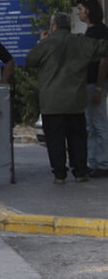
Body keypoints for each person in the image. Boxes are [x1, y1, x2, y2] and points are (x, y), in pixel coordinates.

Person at [26, 12, 108, 184]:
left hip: (52, 102)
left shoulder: (46, 43)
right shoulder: (80, 42)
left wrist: (41, 41)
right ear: (68, 26)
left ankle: (59, 174)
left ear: (53, 26)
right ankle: (79, 171)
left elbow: (31, 60)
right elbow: (102, 48)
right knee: (77, 138)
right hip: (75, 101)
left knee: (55, 140)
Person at [75, 0, 108, 178]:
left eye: (80, 9)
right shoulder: (90, 31)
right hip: (90, 82)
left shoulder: (99, 31)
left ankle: (103, 162)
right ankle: (95, 161)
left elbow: (104, 59)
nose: (78, 12)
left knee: (98, 122)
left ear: (88, 10)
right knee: (92, 123)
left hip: (95, 82)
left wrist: (98, 86)